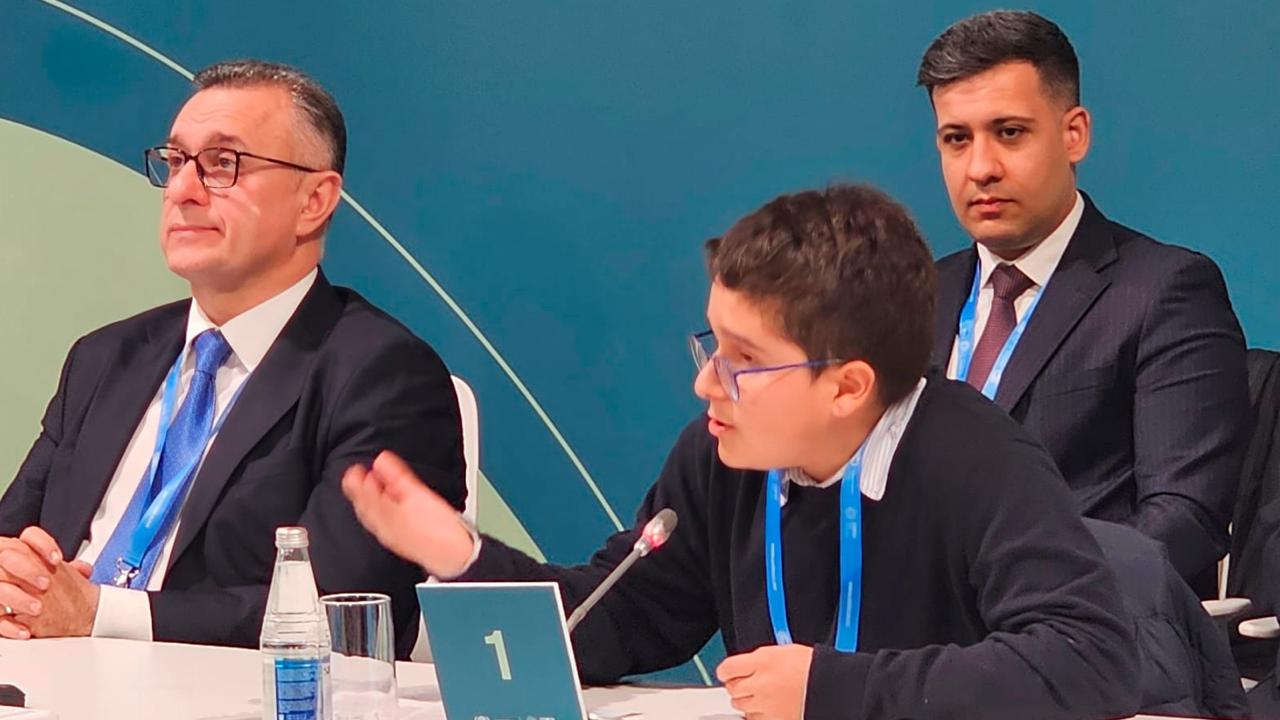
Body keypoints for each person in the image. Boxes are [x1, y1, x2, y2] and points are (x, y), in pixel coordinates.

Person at [344, 184, 1140, 719]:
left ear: (847, 386)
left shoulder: (978, 459)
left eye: (746, 362)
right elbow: (622, 620)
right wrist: (461, 553)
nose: (708, 387)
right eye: (710, 347)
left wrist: (833, 689)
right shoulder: (719, 457)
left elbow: (1085, 660)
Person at [0, 59, 465, 657]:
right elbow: (13, 537)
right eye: (174, 162)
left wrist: (101, 613)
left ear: (314, 200)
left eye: (224, 164)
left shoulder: (381, 374)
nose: (184, 191)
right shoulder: (105, 358)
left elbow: (341, 607)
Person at [919, 10, 1250, 590]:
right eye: (956, 139)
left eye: (1010, 132)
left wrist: (1022, 603)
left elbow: (1183, 519)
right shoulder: (915, 299)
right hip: (918, 650)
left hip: (1086, 648)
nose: (981, 168)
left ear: (1074, 134)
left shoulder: (1164, 290)